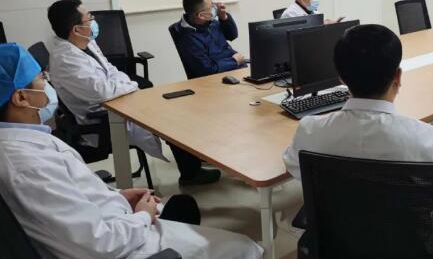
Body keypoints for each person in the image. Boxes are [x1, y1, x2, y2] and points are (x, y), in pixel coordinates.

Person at [0, 43, 263, 259]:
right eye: (41, 78)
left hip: (112, 223)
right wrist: (142, 217)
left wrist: (116, 195)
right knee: (245, 248)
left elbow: (71, 197)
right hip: (123, 247)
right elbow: (97, 244)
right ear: (21, 97)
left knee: (182, 208)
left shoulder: (24, 142)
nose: (47, 83)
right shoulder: (27, 166)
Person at [283, 24, 433, 227]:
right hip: (411, 243)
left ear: (341, 78)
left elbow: (293, 164)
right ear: (398, 77)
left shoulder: (310, 130)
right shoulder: (428, 140)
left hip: (339, 239)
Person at [48, 0, 220, 186]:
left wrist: (127, 84)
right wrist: (131, 86)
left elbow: (111, 69)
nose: (94, 21)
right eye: (90, 18)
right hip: (102, 119)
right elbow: (103, 91)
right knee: (171, 117)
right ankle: (191, 172)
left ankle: (191, 168)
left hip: (119, 100)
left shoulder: (85, 42)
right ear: (76, 29)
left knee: (174, 108)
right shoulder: (66, 60)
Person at [171, 0, 246, 79]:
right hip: (218, 78)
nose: (215, 8)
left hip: (236, 69)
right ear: (201, 15)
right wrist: (234, 60)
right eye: (211, 7)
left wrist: (224, 17)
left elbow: (232, 36)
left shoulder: (209, 22)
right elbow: (207, 71)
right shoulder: (186, 38)